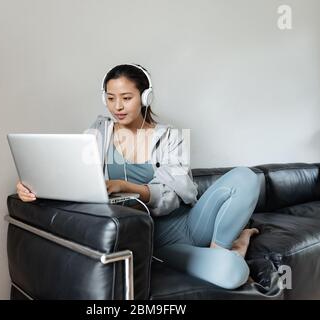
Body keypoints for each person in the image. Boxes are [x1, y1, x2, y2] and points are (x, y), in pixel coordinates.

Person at [16, 63, 261, 290]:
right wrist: (32, 186)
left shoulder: (169, 136)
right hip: (157, 240)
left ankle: (222, 246)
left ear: (145, 97)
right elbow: (71, 176)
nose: (117, 107)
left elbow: (180, 192)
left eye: (126, 98)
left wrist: (124, 185)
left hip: (191, 223)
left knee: (246, 177)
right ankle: (235, 245)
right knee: (232, 272)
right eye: (110, 98)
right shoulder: (96, 134)